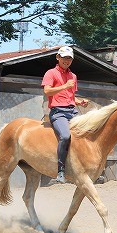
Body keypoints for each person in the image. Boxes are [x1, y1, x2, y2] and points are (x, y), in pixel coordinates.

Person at [42, 46, 89, 183]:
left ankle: (81, 165)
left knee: (87, 133)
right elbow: (47, 91)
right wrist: (65, 86)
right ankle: (60, 171)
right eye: (64, 57)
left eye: (69, 58)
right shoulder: (50, 73)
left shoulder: (73, 76)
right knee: (65, 136)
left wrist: (80, 102)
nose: (66, 60)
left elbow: (70, 96)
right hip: (58, 112)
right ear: (58, 57)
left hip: (72, 111)